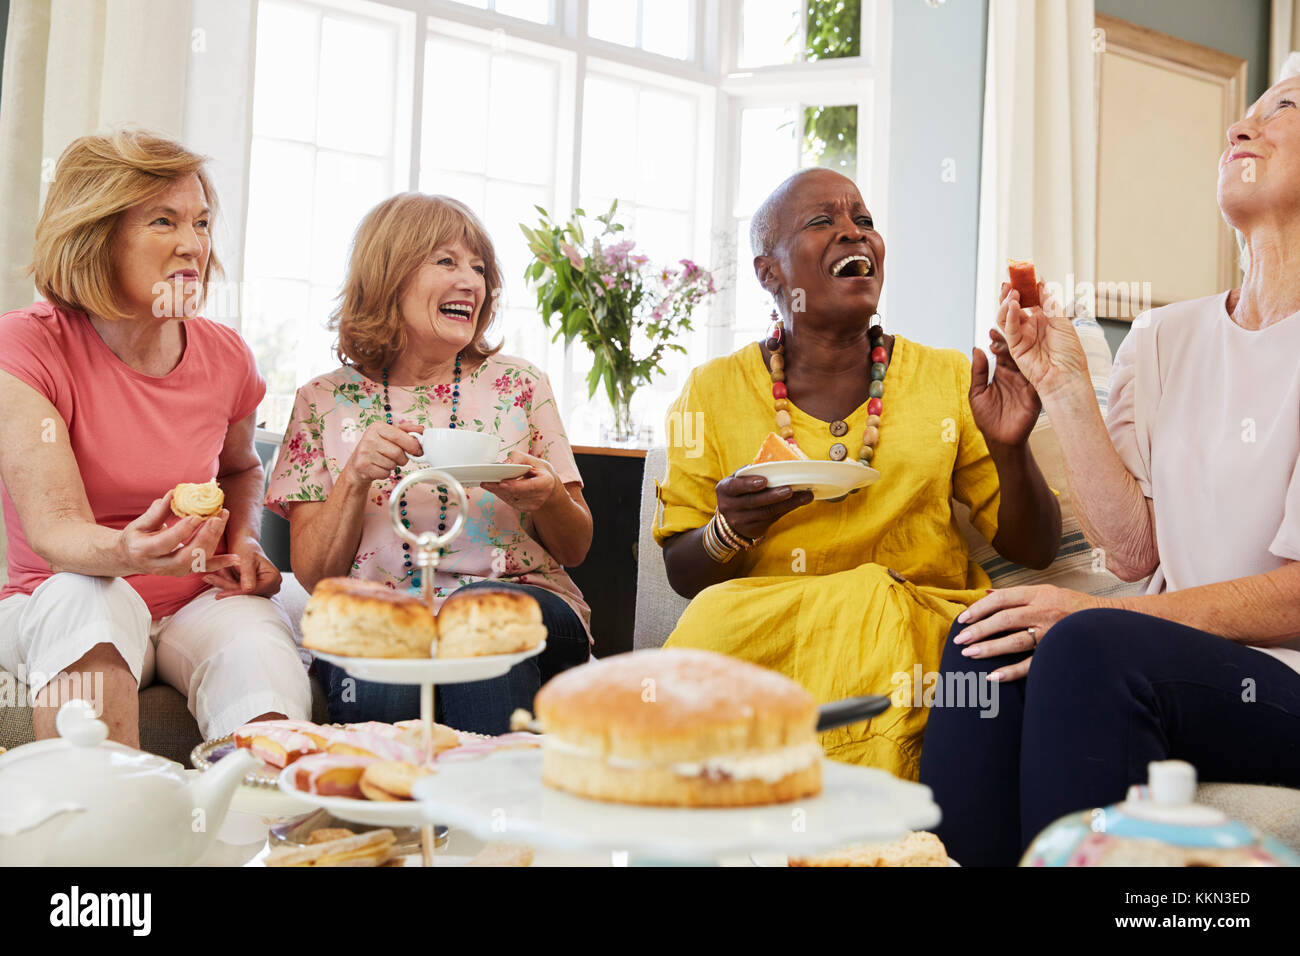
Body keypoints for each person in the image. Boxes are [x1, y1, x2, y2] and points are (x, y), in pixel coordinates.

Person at [919, 73, 1300, 866]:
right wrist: (1059, 383)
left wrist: (1105, 622)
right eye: (1246, 110)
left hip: (1282, 682)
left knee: (1090, 646)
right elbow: (1132, 553)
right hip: (1178, 662)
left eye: (1284, 108)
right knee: (986, 641)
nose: (1243, 126)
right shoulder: (1165, 336)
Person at [653, 167, 1061, 779]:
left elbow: (1035, 548)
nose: (854, 234)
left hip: (908, 622)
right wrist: (728, 530)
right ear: (770, 273)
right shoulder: (710, 391)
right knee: (710, 621)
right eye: (823, 222)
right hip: (768, 630)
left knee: (875, 606)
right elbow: (685, 575)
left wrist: (1011, 446)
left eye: (864, 221)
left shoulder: (947, 377)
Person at [0, 129, 311, 746]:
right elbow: (55, 530)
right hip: (57, 594)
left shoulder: (226, 356)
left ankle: (258, 831)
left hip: (194, 594)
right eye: (164, 221)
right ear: (97, 234)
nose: (192, 244)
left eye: (200, 222)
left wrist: (244, 540)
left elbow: (241, 469)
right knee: (84, 599)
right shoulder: (28, 345)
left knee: (256, 644)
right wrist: (130, 554)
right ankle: (104, 830)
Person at [267, 192, 592, 735]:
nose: (471, 281)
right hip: (382, 611)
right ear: (389, 274)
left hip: (522, 603)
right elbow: (317, 576)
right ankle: (392, 813)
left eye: (479, 268)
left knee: (479, 620)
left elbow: (577, 547)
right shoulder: (322, 400)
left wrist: (549, 498)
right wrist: (355, 477)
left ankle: (485, 815)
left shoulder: (520, 385)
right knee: (383, 655)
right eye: (446, 261)